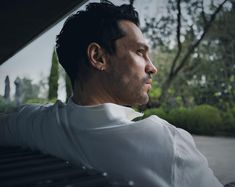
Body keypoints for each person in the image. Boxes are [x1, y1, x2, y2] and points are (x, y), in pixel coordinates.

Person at [0, 1, 223, 187]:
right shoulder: (168, 146)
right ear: (98, 57)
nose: (152, 67)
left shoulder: (35, 124)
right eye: (140, 52)